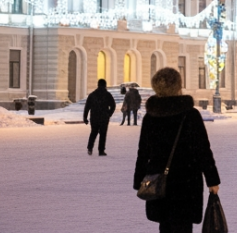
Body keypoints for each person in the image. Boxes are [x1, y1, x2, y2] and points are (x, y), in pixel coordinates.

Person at [134, 67, 220, 233]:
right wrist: (212, 180)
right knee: (182, 225)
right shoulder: (190, 115)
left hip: (158, 182)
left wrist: (139, 180)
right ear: (178, 86)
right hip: (186, 183)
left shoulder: (151, 117)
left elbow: (143, 152)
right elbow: (203, 150)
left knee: (165, 225)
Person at [84, 78, 117, 155]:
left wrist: (85, 117)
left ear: (98, 85)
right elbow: (113, 105)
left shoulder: (92, 95)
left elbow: (87, 107)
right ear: (105, 85)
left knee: (93, 132)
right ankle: (101, 150)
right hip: (104, 117)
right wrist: (109, 114)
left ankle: (90, 148)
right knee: (103, 134)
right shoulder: (107, 95)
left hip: (94, 117)